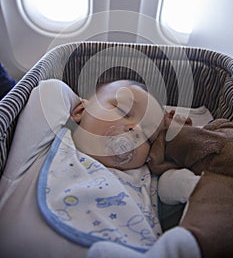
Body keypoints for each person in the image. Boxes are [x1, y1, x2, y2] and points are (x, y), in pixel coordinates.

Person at [0, 78, 200, 258]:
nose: (136, 128)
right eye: (123, 110)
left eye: (148, 137)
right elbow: (50, 91)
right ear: (79, 110)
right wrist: (86, 106)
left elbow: (170, 198)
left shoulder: (142, 175)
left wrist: (170, 137)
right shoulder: (45, 145)